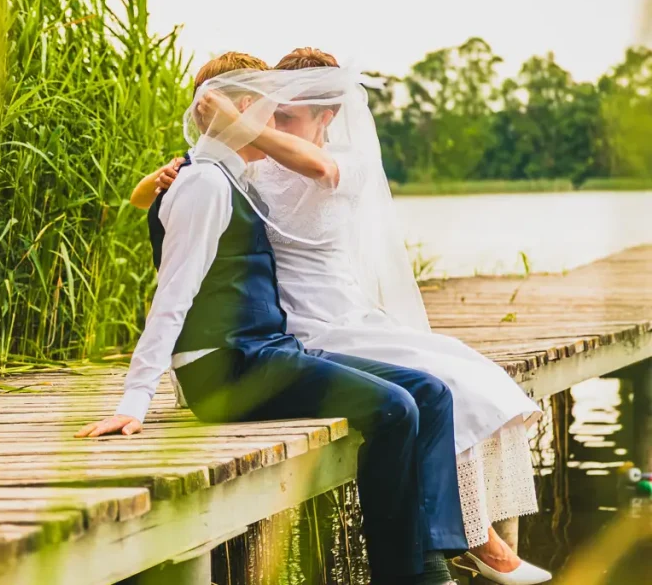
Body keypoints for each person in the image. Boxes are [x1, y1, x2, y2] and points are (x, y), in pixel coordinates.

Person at [134, 49, 551, 585]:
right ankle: (455, 550)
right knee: (423, 394)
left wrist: (240, 126)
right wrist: (175, 169)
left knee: (456, 381)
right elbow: (159, 206)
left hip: (335, 317)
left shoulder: (343, 162)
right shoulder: (242, 167)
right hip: (276, 335)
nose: (272, 122)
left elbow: (316, 166)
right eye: (270, 110)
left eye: (285, 114)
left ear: (327, 116)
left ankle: (462, 540)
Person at [77, 52, 467, 585]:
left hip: (265, 353)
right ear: (240, 110)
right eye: (270, 109)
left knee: (428, 391)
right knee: (394, 409)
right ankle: (403, 577)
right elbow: (172, 297)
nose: (276, 122)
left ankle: (429, 562)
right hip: (226, 369)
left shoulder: (231, 177)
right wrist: (134, 399)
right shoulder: (206, 184)